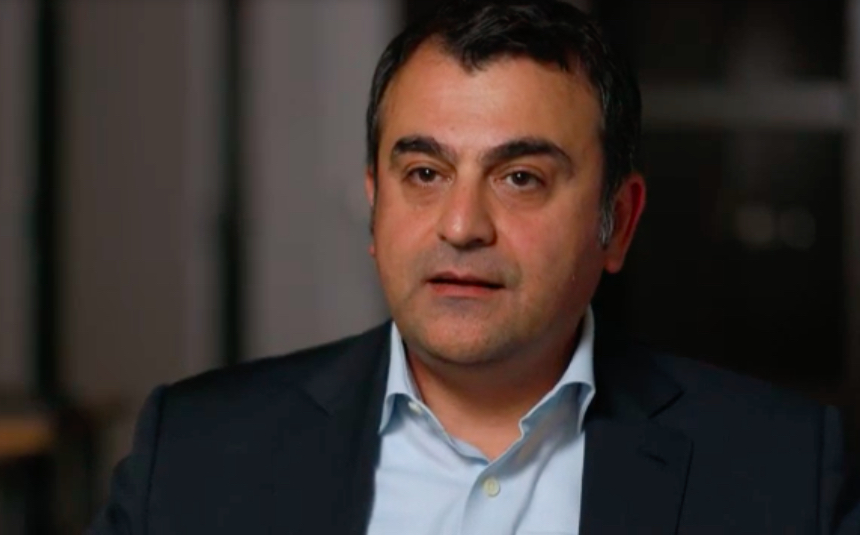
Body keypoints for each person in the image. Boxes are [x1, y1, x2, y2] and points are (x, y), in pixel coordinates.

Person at [88, 1, 860, 533]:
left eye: (519, 177)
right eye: (424, 173)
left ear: (617, 222)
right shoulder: (194, 452)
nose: (460, 226)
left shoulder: (780, 471)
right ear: (375, 206)